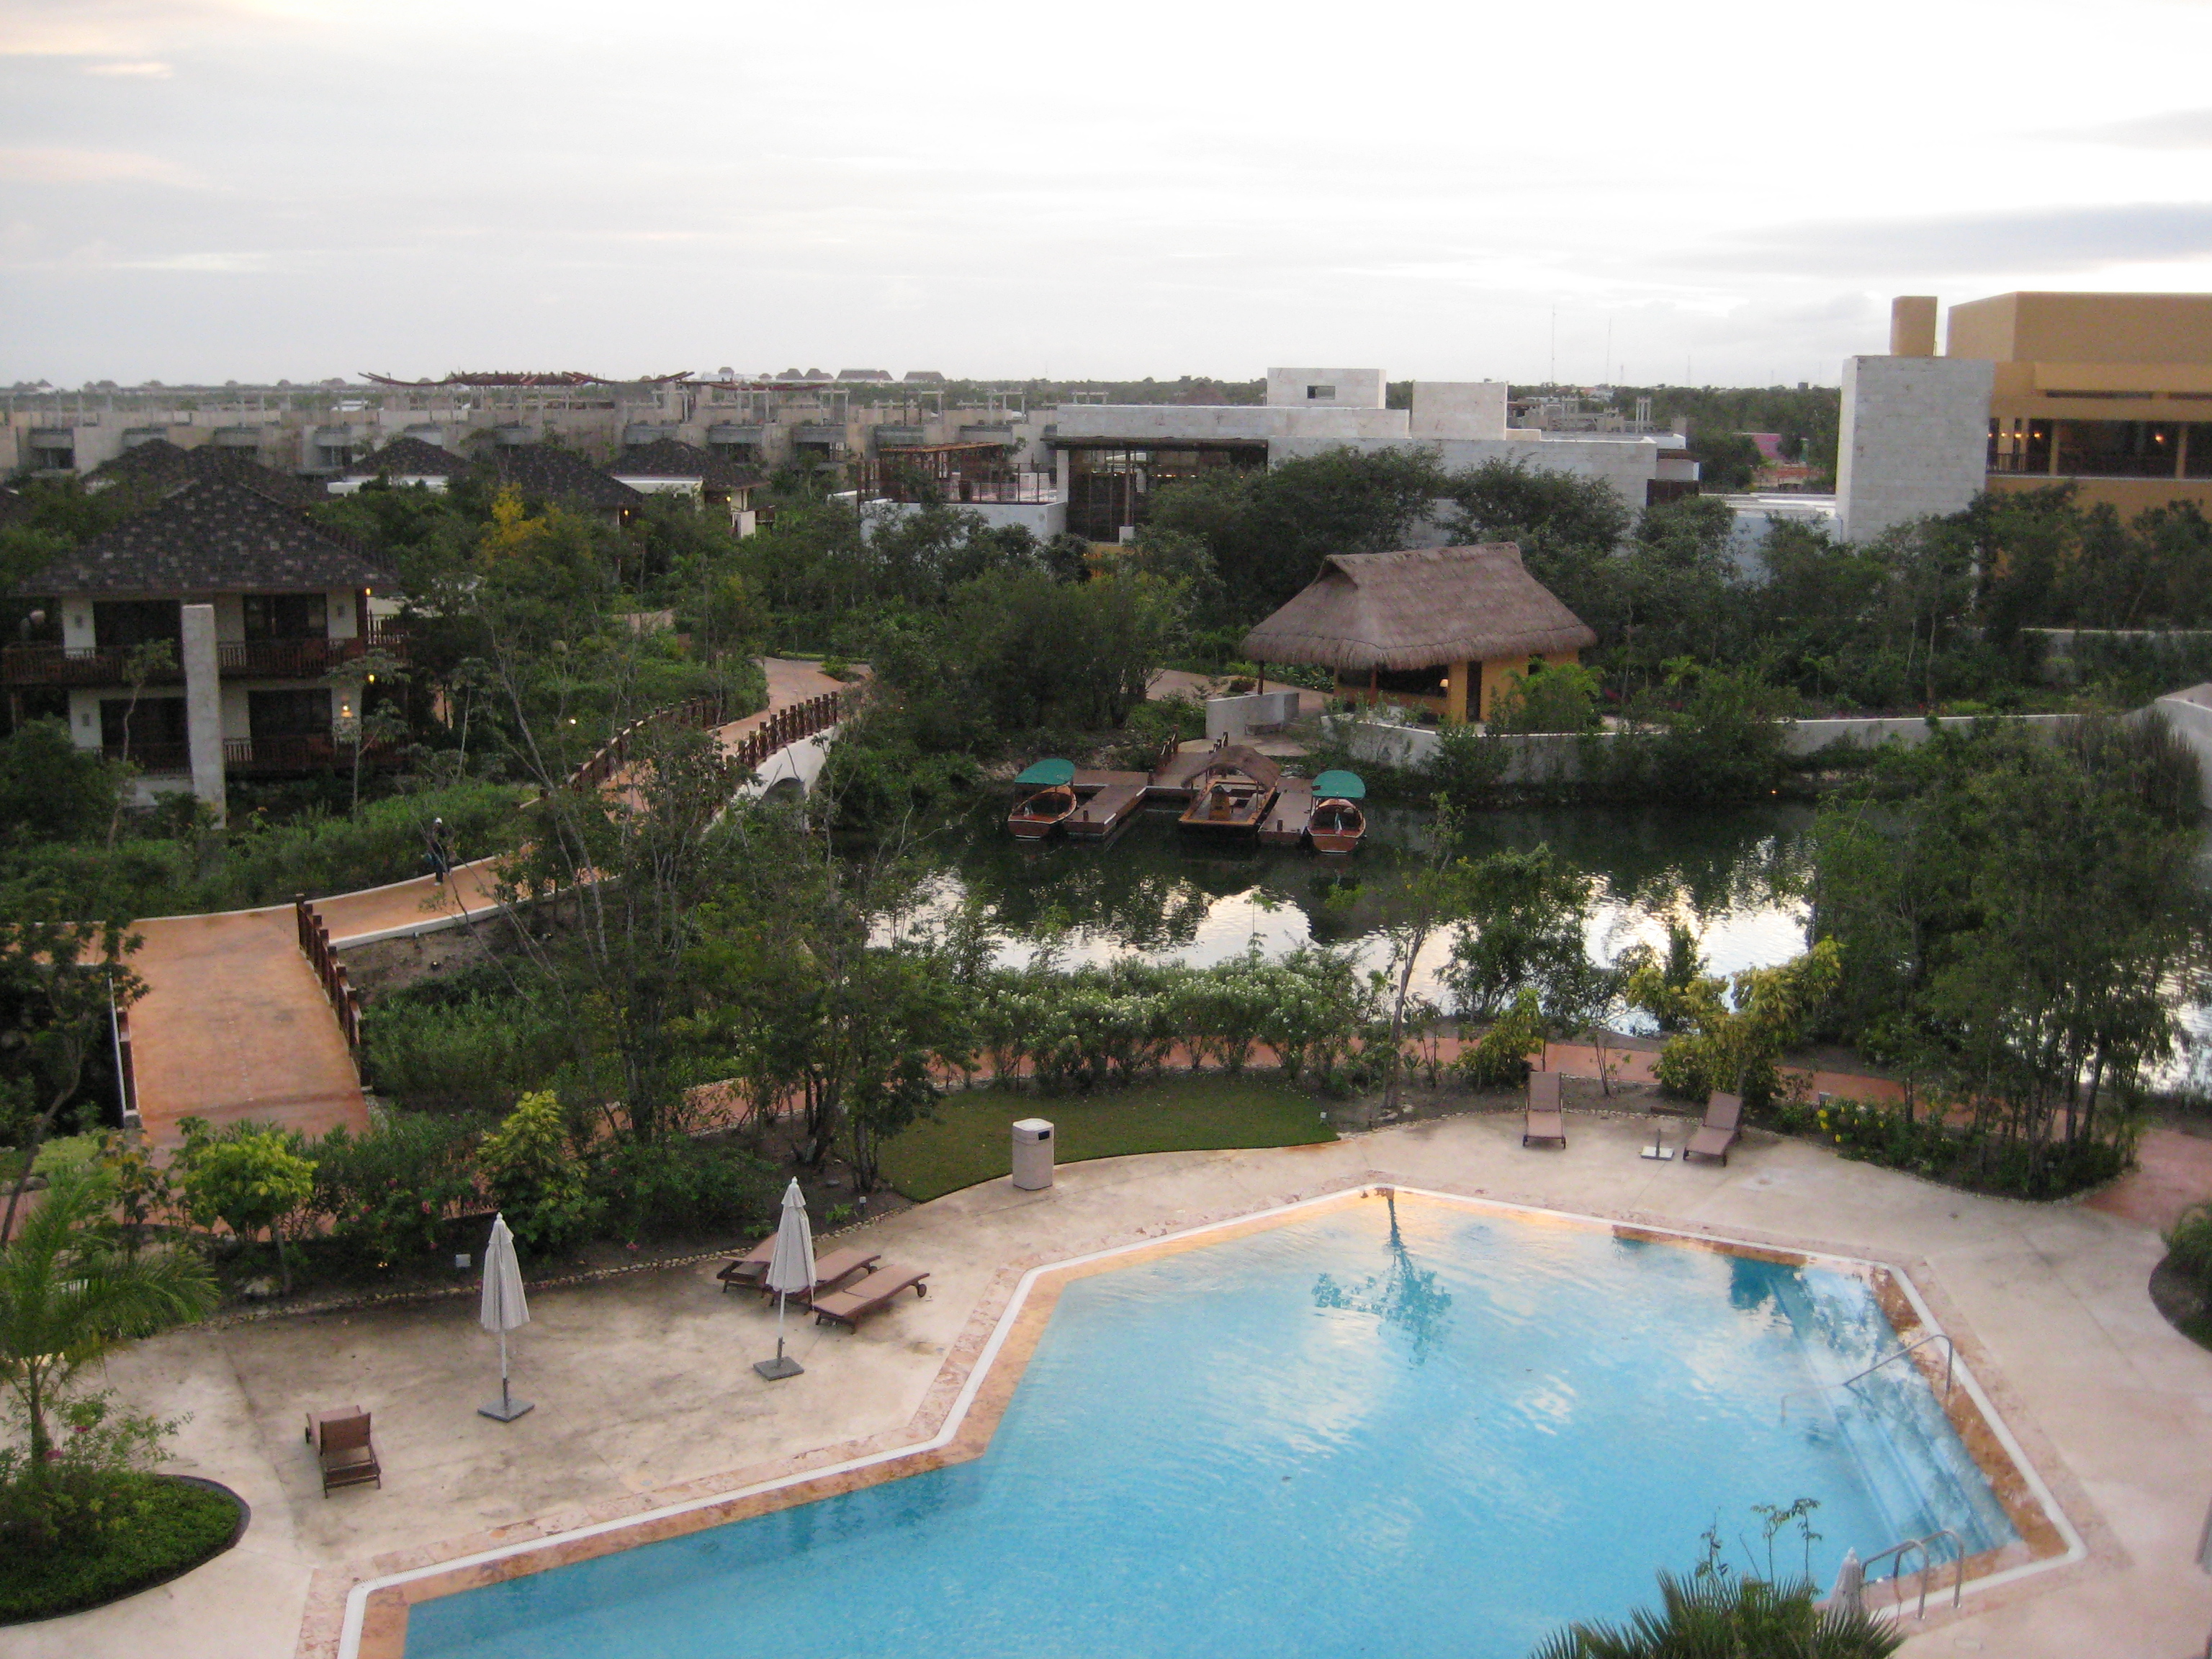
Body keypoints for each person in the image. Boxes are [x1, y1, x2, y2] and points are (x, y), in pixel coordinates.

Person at [424, 816, 454, 884]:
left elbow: (446, 840)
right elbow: (429, 840)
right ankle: (448, 869)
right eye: (437, 823)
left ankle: (439, 880)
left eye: (439, 824)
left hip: (441, 850)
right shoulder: (431, 831)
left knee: (439, 864)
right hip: (434, 850)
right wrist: (429, 849)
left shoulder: (442, 832)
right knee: (435, 863)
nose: (438, 825)